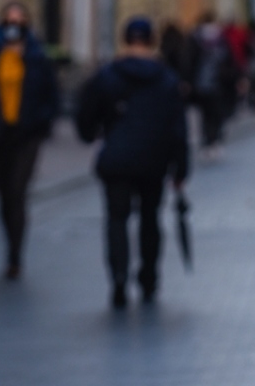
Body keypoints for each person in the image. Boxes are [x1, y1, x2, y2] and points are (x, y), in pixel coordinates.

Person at [75, 18, 189, 309]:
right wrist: (180, 167)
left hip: (117, 158)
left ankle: (118, 278)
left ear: (125, 40)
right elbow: (178, 128)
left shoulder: (108, 75)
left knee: (116, 219)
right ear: (151, 41)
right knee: (150, 219)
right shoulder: (166, 78)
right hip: (154, 159)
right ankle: (148, 278)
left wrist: (93, 134)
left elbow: (86, 113)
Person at [0, 3, 59, 280]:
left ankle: (15, 254)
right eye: (9, 21)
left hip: (27, 135)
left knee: (17, 191)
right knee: (4, 195)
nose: (14, 26)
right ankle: (9, 241)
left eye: (19, 21)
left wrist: (41, 122)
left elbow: (51, 96)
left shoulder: (37, 58)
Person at [189, 13, 238, 160]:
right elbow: (231, 60)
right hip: (217, 84)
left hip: (204, 84)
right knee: (216, 114)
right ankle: (213, 140)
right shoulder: (220, 39)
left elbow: (188, 61)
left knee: (206, 115)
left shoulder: (195, 38)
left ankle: (208, 141)